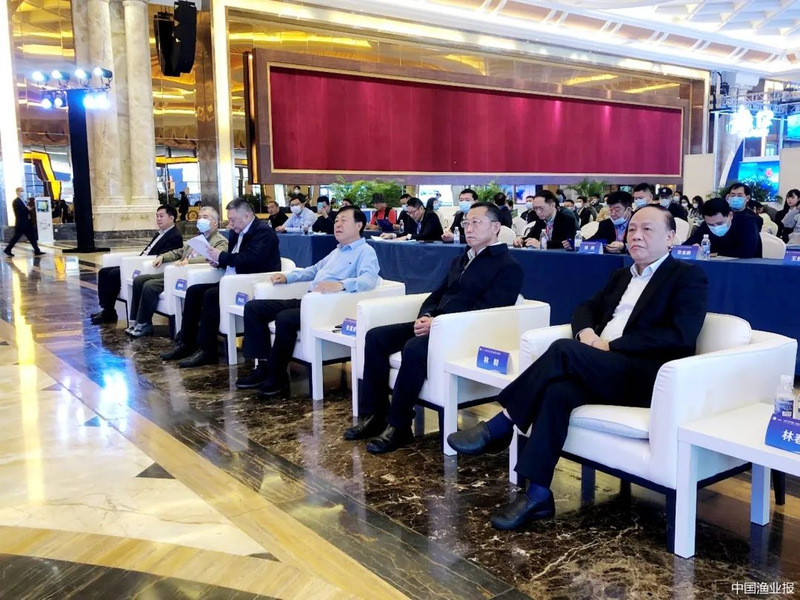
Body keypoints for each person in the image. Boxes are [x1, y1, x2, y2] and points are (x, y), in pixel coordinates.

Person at [447, 205, 708, 530]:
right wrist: (586, 333)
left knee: (562, 350)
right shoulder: (622, 275)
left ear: (670, 238)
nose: (636, 236)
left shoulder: (686, 277)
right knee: (557, 392)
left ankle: (502, 423)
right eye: (632, 229)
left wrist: (611, 345)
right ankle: (537, 495)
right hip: (602, 366)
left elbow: (680, 334)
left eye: (647, 229)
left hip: (645, 376)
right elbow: (585, 308)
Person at [344, 202, 524, 453]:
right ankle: (375, 414)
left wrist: (438, 324)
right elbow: (437, 294)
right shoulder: (462, 259)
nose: (469, 228)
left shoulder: (508, 266)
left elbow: (487, 313)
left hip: (463, 333)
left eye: (476, 222)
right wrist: (426, 315)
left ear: (495, 227)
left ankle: (399, 426)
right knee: (376, 337)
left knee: (414, 347)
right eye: (466, 223)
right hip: (436, 324)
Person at [235, 206, 380, 396]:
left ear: (359, 225)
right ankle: (263, 367)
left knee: (285, 318)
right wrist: (288, 277)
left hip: (325, 306)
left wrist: (341, 285)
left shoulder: (366, 251)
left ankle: (277, 378)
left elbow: (369, 279)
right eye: (336, 220)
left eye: (343, 220)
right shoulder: (337, 251)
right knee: (254, 308)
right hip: (308, 300)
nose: (337, 224)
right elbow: (313, 270)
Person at [161, 199, 281, 367]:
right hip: (231, 280)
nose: (230, 224)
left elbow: (253, 260)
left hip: (251, 281)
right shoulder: (235, 232)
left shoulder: (263, 232)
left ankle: (207, 351)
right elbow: (234, 258)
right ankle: (186, 343)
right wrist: (219, 262)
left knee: (211, 296)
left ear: (247, 216)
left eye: (233, 220)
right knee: (194, 291)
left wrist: (222, 257)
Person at [126, 206, 228, 337]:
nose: (200, 220)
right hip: (176, 272)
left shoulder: (220, 241)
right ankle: (134, 321)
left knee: (150, 286)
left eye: (205, 217)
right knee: (140, 280)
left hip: (187, 274)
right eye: (199, 217)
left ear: (215, 222)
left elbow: (216, 257)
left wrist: (189, 261)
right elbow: (180, 251)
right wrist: (163, 257)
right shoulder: (197, 239)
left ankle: (143, 324)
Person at [89, 205, 182, 325]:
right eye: (157, 216)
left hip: (147, 265)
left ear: (171, 218)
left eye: (161, 216)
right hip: (139, 261)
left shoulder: (174, 236)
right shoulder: (160, 233)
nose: (158, 219)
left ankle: (108, 312)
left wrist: (140, 260)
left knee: (114, 274)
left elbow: (163, 255)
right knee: (104, 272)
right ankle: (107, 309)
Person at [684, 197, 761, 259]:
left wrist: (714, 253)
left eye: (719, 223)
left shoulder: (747, 222)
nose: (715, 227)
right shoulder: (705, 226)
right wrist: (693, 250)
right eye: (711, 225)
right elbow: (685, 246)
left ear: (730, 215)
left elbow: (747, 252)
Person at [4, 187, 44, 258]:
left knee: (32, 237)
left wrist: (29, 209)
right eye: (21, 191)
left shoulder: (23, 201)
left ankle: (37, 250)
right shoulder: (16, 201)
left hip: (26, 223)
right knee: (16, 238)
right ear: (17, 192)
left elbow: (25, 210)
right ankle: (8, 249)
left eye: (23, 191)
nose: (23, 192)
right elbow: (19, 212)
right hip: (21, 223)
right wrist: (27, 209)